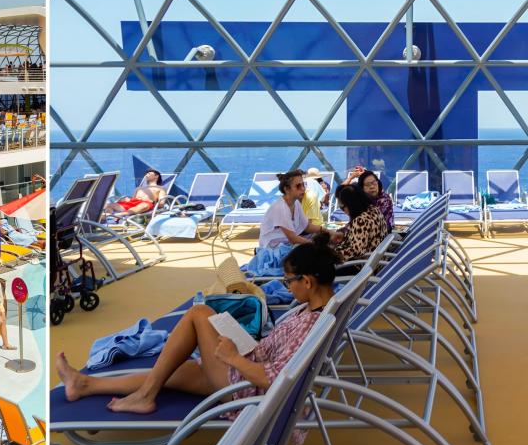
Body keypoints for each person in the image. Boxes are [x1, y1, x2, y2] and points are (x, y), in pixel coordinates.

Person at [56, 236, 339, 413]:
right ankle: (85, 385)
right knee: (178, 370)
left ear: (307, 281)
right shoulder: (320, 311)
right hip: (250, 368)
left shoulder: (309, 324)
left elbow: (273, 379)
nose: (287, 287)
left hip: (248, 390)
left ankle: (144, 395)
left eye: (289, 281)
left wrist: (231, 357)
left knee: (199, 313)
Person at [259, 170, 324, 249]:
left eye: (303, 185)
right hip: (273, 249)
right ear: (287, 189)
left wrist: (328, 231)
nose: (303, 188)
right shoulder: (281, 208)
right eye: (298, 186)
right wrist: (315, 245)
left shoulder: (296, 204)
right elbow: (293, 239)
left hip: (286, 244)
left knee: (322, 238)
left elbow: (307, 226)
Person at [330, 185, 388, 263]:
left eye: (343, 206)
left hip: (360, 266)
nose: (343, 210)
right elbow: (361, 239)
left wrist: (330, 255)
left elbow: (356, 251)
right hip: (374, 260)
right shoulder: (373, 209)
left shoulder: (360, 220)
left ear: (352, 204)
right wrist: (344, 236)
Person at [344, 167, 394, 233]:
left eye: (374, 183)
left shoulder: (384, 200)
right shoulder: (362, 197)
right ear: (362, 188)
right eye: (367, 185)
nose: (372, 187)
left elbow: (371, 225)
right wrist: (351, 177)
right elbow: (341, 192)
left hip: (378, 237)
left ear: (378, 183)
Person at [102, 170, 167, 220]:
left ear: (156, 176)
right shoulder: (139, 188)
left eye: (149, 173)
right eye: (146, 173)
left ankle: (120, 214)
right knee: (109, 205)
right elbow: (133, 200)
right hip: (133, 203)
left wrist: (152, 203)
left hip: (145, 204)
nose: (146, 175)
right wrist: (127, 199)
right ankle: (107, 216)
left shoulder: (161, 188)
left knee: (144, 205)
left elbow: (161, 203)